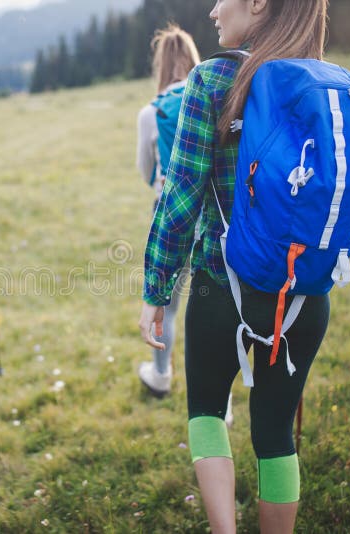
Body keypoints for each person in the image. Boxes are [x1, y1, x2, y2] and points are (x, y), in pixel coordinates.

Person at [138, 0, 330, 532]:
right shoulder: (323, 81)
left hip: (224, 287)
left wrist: (156, 290)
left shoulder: (215, 78)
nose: (214, 10)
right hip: (304, 295)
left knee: (205, 411)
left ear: (258, 4)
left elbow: (180, 196)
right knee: (275, 435)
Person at [134, 24, 199, 398]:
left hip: (170, 215)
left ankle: (161, 375)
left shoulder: (152, 112)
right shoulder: (212, 99)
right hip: (215, 214)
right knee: (214, 305)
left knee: (167, 306)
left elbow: (146, 171)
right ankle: (220, 400)